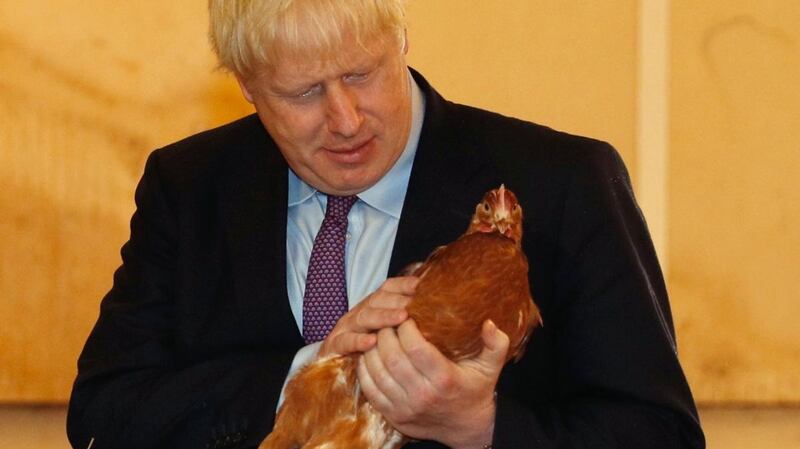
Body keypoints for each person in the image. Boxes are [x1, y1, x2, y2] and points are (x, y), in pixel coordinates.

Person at [67, 1, 705, 448]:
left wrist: (479, 427)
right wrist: (312, 370)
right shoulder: (190, 186)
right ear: (247, 86)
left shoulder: (563, 181)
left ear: (402, 39)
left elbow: (659, 433)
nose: (345, 118)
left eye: (360, 74)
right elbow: (104, 414)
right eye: (304, 93)